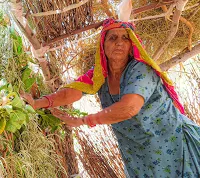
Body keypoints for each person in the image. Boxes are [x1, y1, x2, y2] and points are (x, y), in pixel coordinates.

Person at [22, 18, 200, 177]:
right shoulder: (100, 76)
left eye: (125, 38)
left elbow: (129, 108)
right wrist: (38, 103)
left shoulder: (140, 70)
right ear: (103, 45)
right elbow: (72, 91)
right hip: (138, 155)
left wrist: (84, 120)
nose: (119, 43)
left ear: (131, 46)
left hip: (175, 146)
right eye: (112, 38)